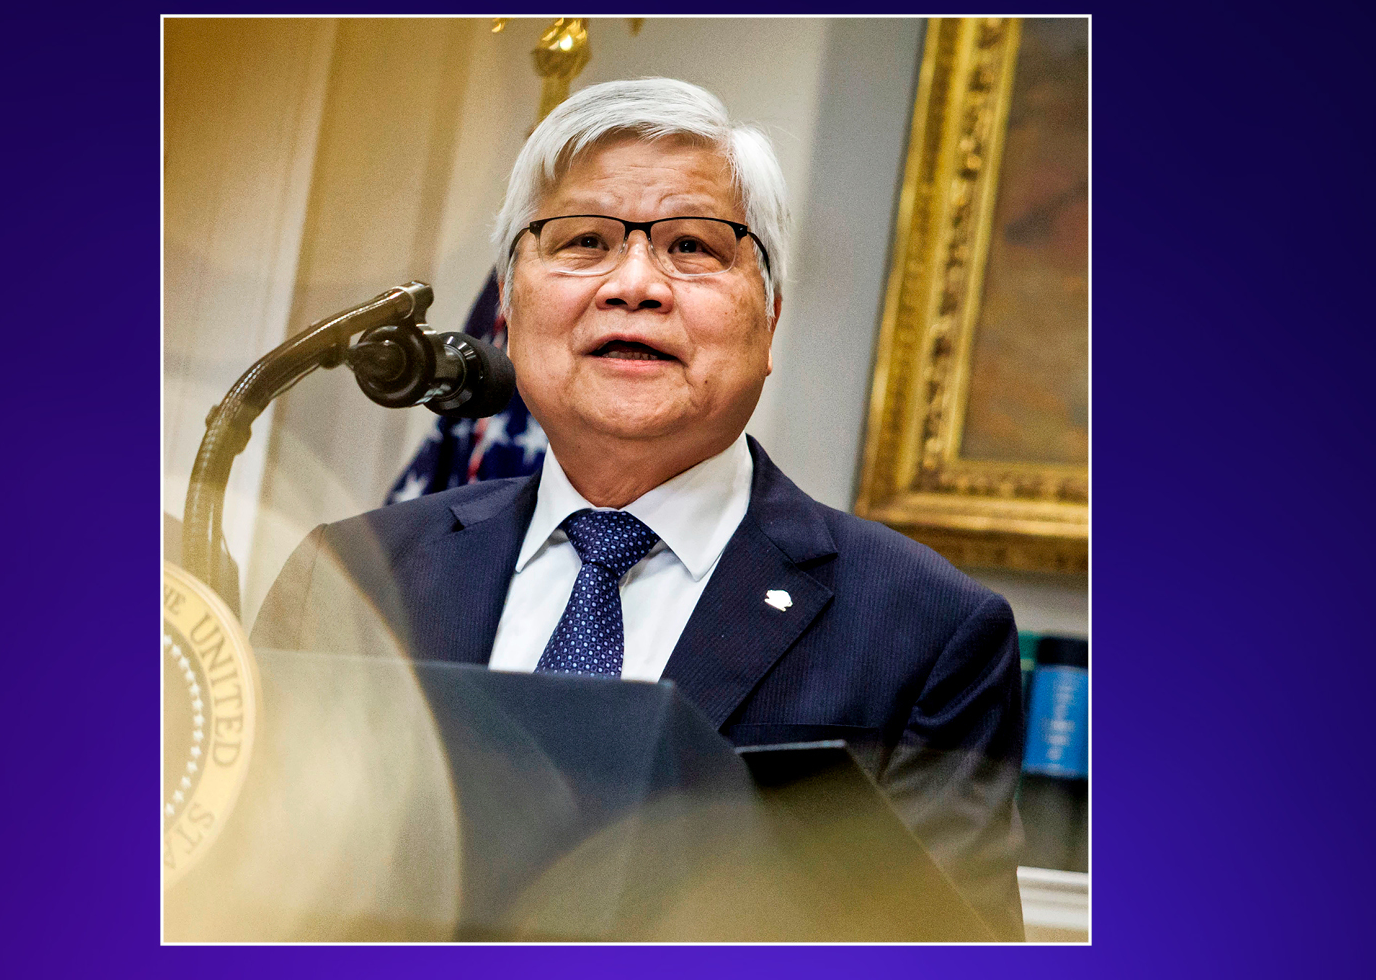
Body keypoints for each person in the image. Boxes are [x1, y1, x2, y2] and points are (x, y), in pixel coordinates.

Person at [253, 78, 1026, 939]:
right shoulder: (350, 577)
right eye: (582, 241)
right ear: (508, 311)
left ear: (769, 320)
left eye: (693, 247)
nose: (634, 285)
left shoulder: (925, 633)